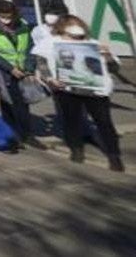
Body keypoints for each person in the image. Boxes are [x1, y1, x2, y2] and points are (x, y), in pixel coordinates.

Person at [34, 15, 124, 172]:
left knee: (104, 122)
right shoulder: (51, 42)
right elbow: (41, 62)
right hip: (66, 89)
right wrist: (49, 79)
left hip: (96, 91)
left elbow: (114, 69)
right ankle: (76, 149)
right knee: (71, 120)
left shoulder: (93, 44)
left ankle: (113, 155)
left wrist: (107, 56)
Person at [0, 0, 45, 149]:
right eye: (3, 16)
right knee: (9, 102)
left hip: (22, 70)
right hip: (2, 71)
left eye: (9, 16)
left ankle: (25, 134)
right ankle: (13, 134)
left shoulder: (22, 24)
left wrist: (29, 67)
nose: (7, 20)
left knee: (22, 102)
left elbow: (29, 47)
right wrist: (9, 68)